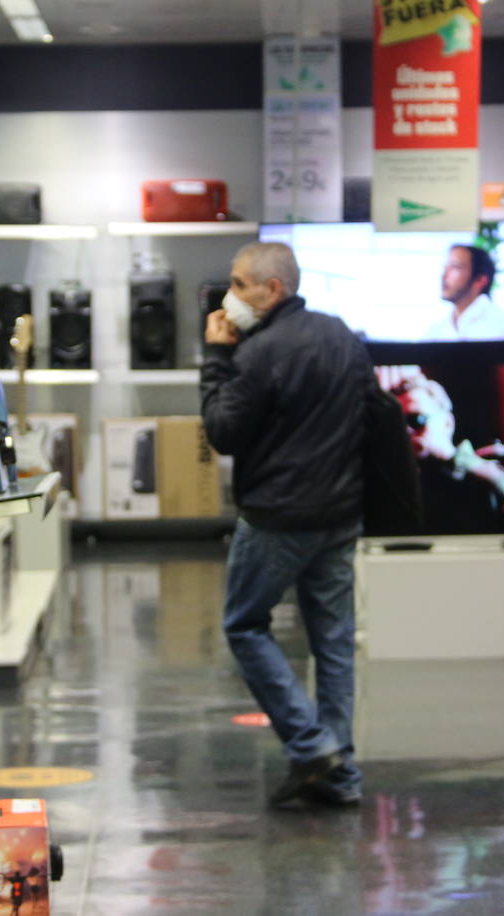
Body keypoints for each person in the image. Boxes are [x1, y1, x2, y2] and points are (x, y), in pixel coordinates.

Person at [200, 241, 371, 808]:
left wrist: (216, 360)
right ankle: (340, 773)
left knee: (245, 625)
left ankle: (311, 743)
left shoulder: (259, 353)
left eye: (240, 283)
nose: (232, 294)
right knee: (334, 641)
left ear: (272, 289)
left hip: (277, 517)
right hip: (341, 514)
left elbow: (223, 432)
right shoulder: (343, 335)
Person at [387, 371, 504, 521]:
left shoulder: (486, 480)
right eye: (398, 424)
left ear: (448, 423)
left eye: (416, 419)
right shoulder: (404, 483)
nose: (407, 431)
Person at [425, 244, 504, 340]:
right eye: (445, 268)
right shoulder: (435, 331)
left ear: (480, 280)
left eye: (455, 267)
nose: (444, 276)